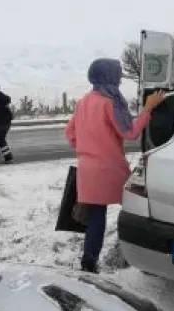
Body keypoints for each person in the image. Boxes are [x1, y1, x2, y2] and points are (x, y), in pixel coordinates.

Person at [65, 58, 165, 272]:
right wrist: (148, 108)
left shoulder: (84, 101)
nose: (119, 79)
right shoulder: (111, 101)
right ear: (110, 76)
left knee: (96, 216)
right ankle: (146, 257)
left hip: (87, 168)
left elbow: (70, 133)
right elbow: (129, 132)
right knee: (135, 207)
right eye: (117, 74)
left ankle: (89, 260)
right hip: (109, 168)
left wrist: (87, 148)